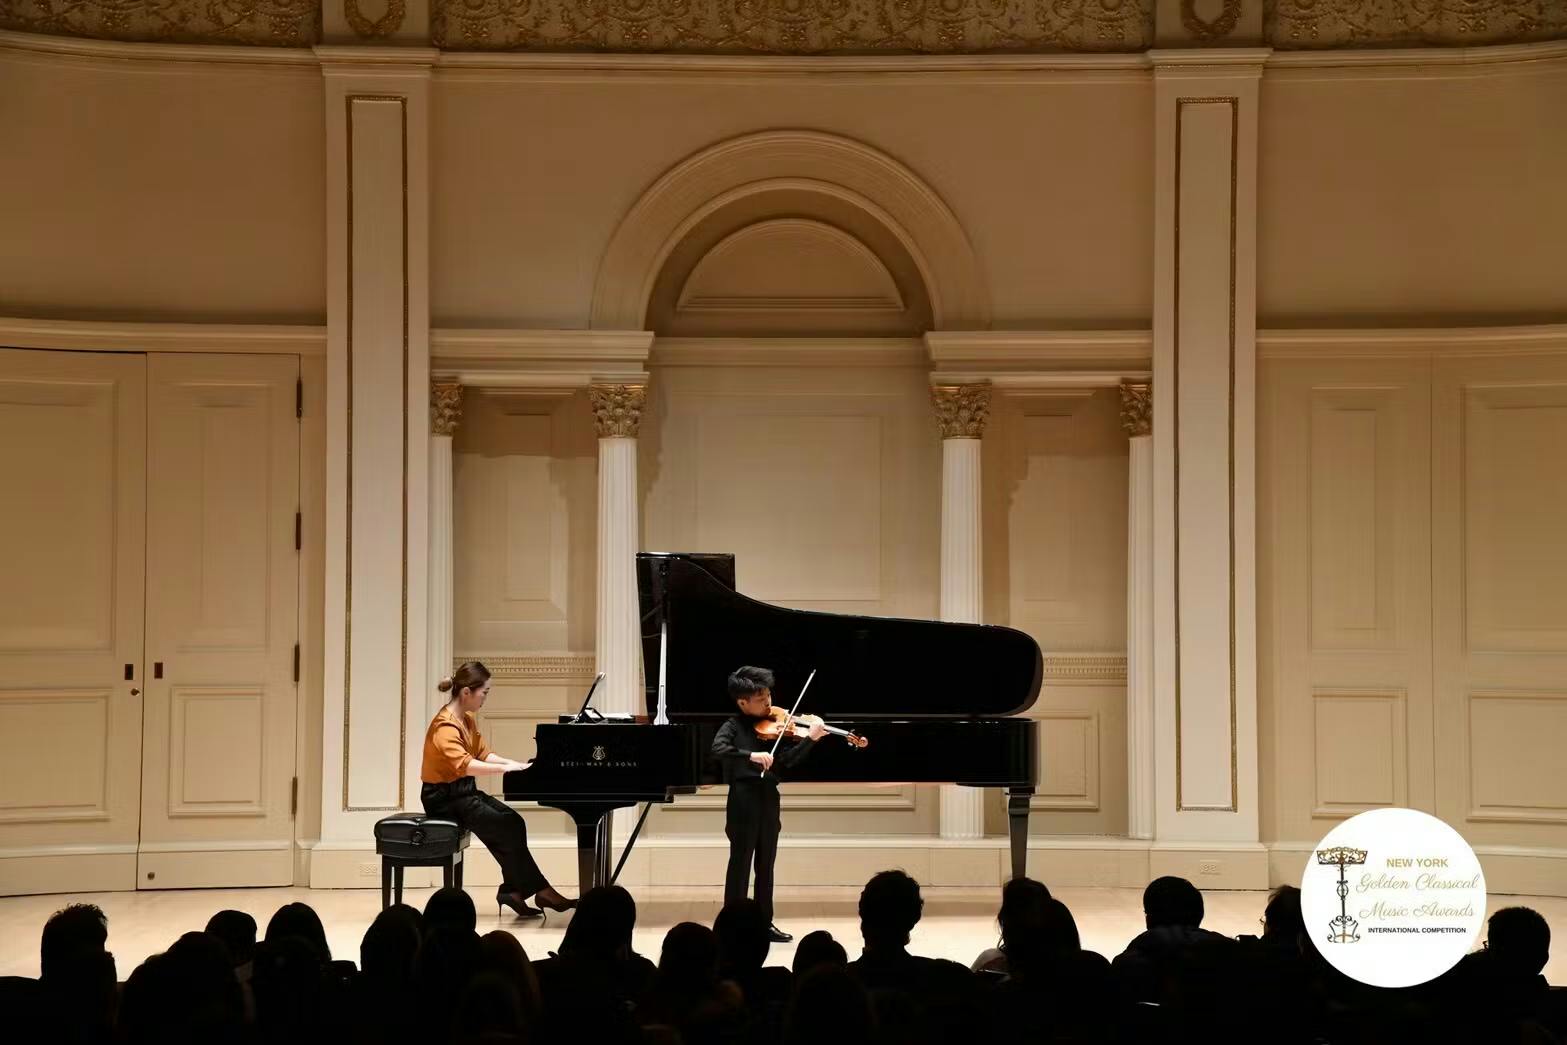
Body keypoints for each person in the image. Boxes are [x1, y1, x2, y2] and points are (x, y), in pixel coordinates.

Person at [420, 660, 576, 919]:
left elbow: (483, 754)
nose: (485, 698)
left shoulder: (466, 720)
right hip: (443, 798)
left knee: (513, 822)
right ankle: (541, 891)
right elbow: (467, 765)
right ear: (467, 692)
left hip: (461, 793)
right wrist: (506, 769)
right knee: (505, 824)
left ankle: (513, 891)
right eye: (484, 692)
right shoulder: (445, 726)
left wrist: (515, 765)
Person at [710, 666, 825, 943]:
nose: (769, 703)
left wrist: (810, 740)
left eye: (769, 696)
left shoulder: (776, 724)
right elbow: (718, 748)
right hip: (743, 799)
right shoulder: (733, 725)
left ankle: (764, 923)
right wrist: (751, 755)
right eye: (761, 699)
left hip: (769, 798)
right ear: (743, 702)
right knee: (740, 864)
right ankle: (732, 925)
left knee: (766, 865)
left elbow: (786, 761)